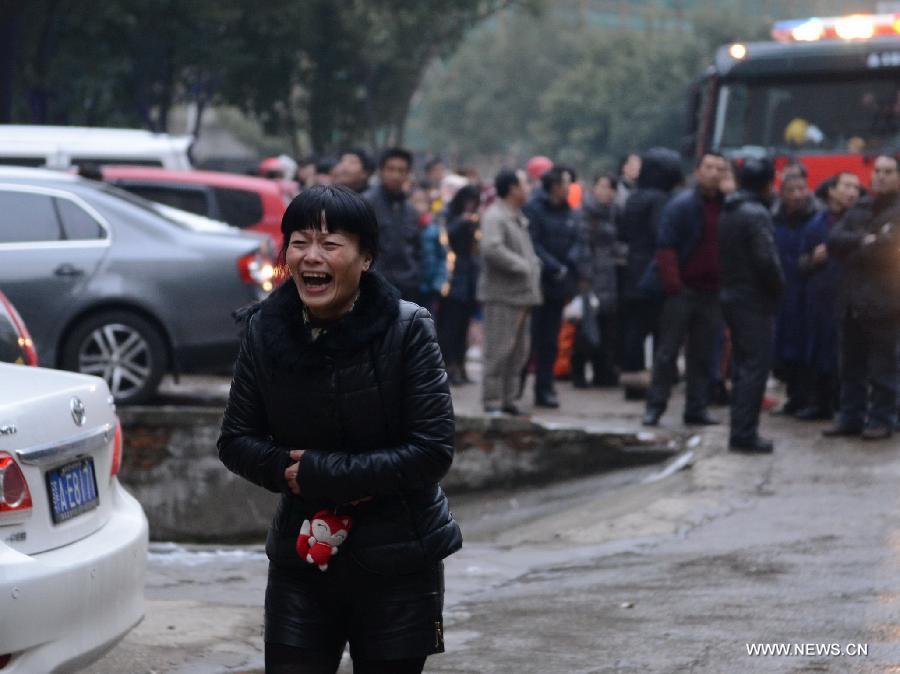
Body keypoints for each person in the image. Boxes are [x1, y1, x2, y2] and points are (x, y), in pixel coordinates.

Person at [217, 185, 461, 674]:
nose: (312, 257)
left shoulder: (408, 329)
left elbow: (432, 450)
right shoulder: (265, 330)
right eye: (300, 242)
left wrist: (322, 472)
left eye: (330, 244)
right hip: (301, 557)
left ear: (365, 257)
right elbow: (236, 440)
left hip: (400, 557)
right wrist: (287, 472)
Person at [643, 152, 728, 427]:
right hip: (683, 291)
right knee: (667, 353)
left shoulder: (728, 206)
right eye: (709, 167)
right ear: (697, 171)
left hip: (712, 292)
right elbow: (665, 248)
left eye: (720, 169)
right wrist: (674, 286)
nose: (714, 173)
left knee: (703, 354)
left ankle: (696, 407)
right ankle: (655, 406)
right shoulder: (681, 205)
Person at [825, 154, 900, 440]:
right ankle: (851, 418)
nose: (880, 176)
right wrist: (864, 240)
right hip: (852, 300)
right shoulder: (861, 206)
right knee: (851, 366)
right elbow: (834, 240)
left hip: (885, 302)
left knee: (883, 367)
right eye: (877, 171)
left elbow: (886, 250)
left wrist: (860, 245)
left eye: (888, 171)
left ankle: (882, 419)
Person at [718, 158, 785, 452]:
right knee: (754, 368)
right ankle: (745, 434)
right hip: (752, 299)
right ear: (769, 183)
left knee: (743, 366)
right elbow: (765, 260)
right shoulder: (755, 214)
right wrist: (779, 287)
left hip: (733, 294)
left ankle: (741, 430)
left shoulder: (729, 211)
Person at [616, 147, 684, 400]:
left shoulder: (634, 197)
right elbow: (662, 236)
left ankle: (633, 378)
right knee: (657, 328)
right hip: (653, 271)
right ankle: (658, 380)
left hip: (633, 269)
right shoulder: (660, 200)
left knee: (635, 328)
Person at [794, 172, 861, 421]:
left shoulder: (862, 222)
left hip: (856, 297)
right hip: (822, 299)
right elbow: (800, 264)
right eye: (846, 186)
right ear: (832, 190)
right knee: (820, 350)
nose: (851, 192)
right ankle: (821, 402)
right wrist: (814, 260)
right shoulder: (816, 224)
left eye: (855, 187)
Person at [479, 170, 542, 415]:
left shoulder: (516, 216)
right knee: (499, 349)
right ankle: (492, 400)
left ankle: (509, 399)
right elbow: (492, 249)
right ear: (513, 188)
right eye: (525, 183)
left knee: (518, 352)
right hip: (502, 294)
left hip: (521, 294)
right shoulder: (495, 216)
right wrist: (523, 266)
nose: (529, 188)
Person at [524, 166, 585, 408]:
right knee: (532, 339)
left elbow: (578, 241)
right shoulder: (535, 210)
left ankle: (545, 387)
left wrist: (568, 265)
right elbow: (533, 243)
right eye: (565, 183)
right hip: (538, 282)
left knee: (551, 340)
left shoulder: (571, 213)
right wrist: (552, 266)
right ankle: (516, 384)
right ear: (553, 185)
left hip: (560, 285)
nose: (569, 188)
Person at [772, 170, 819, 415]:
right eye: (791, 190)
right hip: (782, 292)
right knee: (783, 347)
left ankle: (809, 397)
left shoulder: (817, 219)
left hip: (808, 293)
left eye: (802, 189)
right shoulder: (773, 220)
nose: (798, 195)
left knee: (807, 346)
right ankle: (793, 395)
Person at [574, 173, 621, 387]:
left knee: (608, 330)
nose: (606, 191)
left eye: (611, 187)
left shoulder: (616, 213)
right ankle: (578, 373)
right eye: (602, 186)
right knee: (586, 329)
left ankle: (603, 373)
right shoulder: (584, 214)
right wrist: (584, 275)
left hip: (610, 276)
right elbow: (580, 247)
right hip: (590, 278)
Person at [363, 147, 423, 303]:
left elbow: (417, 247)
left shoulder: (410, 210)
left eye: (401, 170)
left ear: (407, 174)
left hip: (407, 285)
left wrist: (415, 274)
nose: (395, 175)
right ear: (381, 171)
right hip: (374, 286)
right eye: (390, 169)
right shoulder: (366, 203)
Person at [438, 185, 481, 386]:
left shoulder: (474, 219)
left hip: (470, 278)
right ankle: (449, 366)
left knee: (463, 327)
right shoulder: (449, 214)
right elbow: (443, 237)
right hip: (452, 278)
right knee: (450, 327)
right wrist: (461, 221)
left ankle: (460, 365)